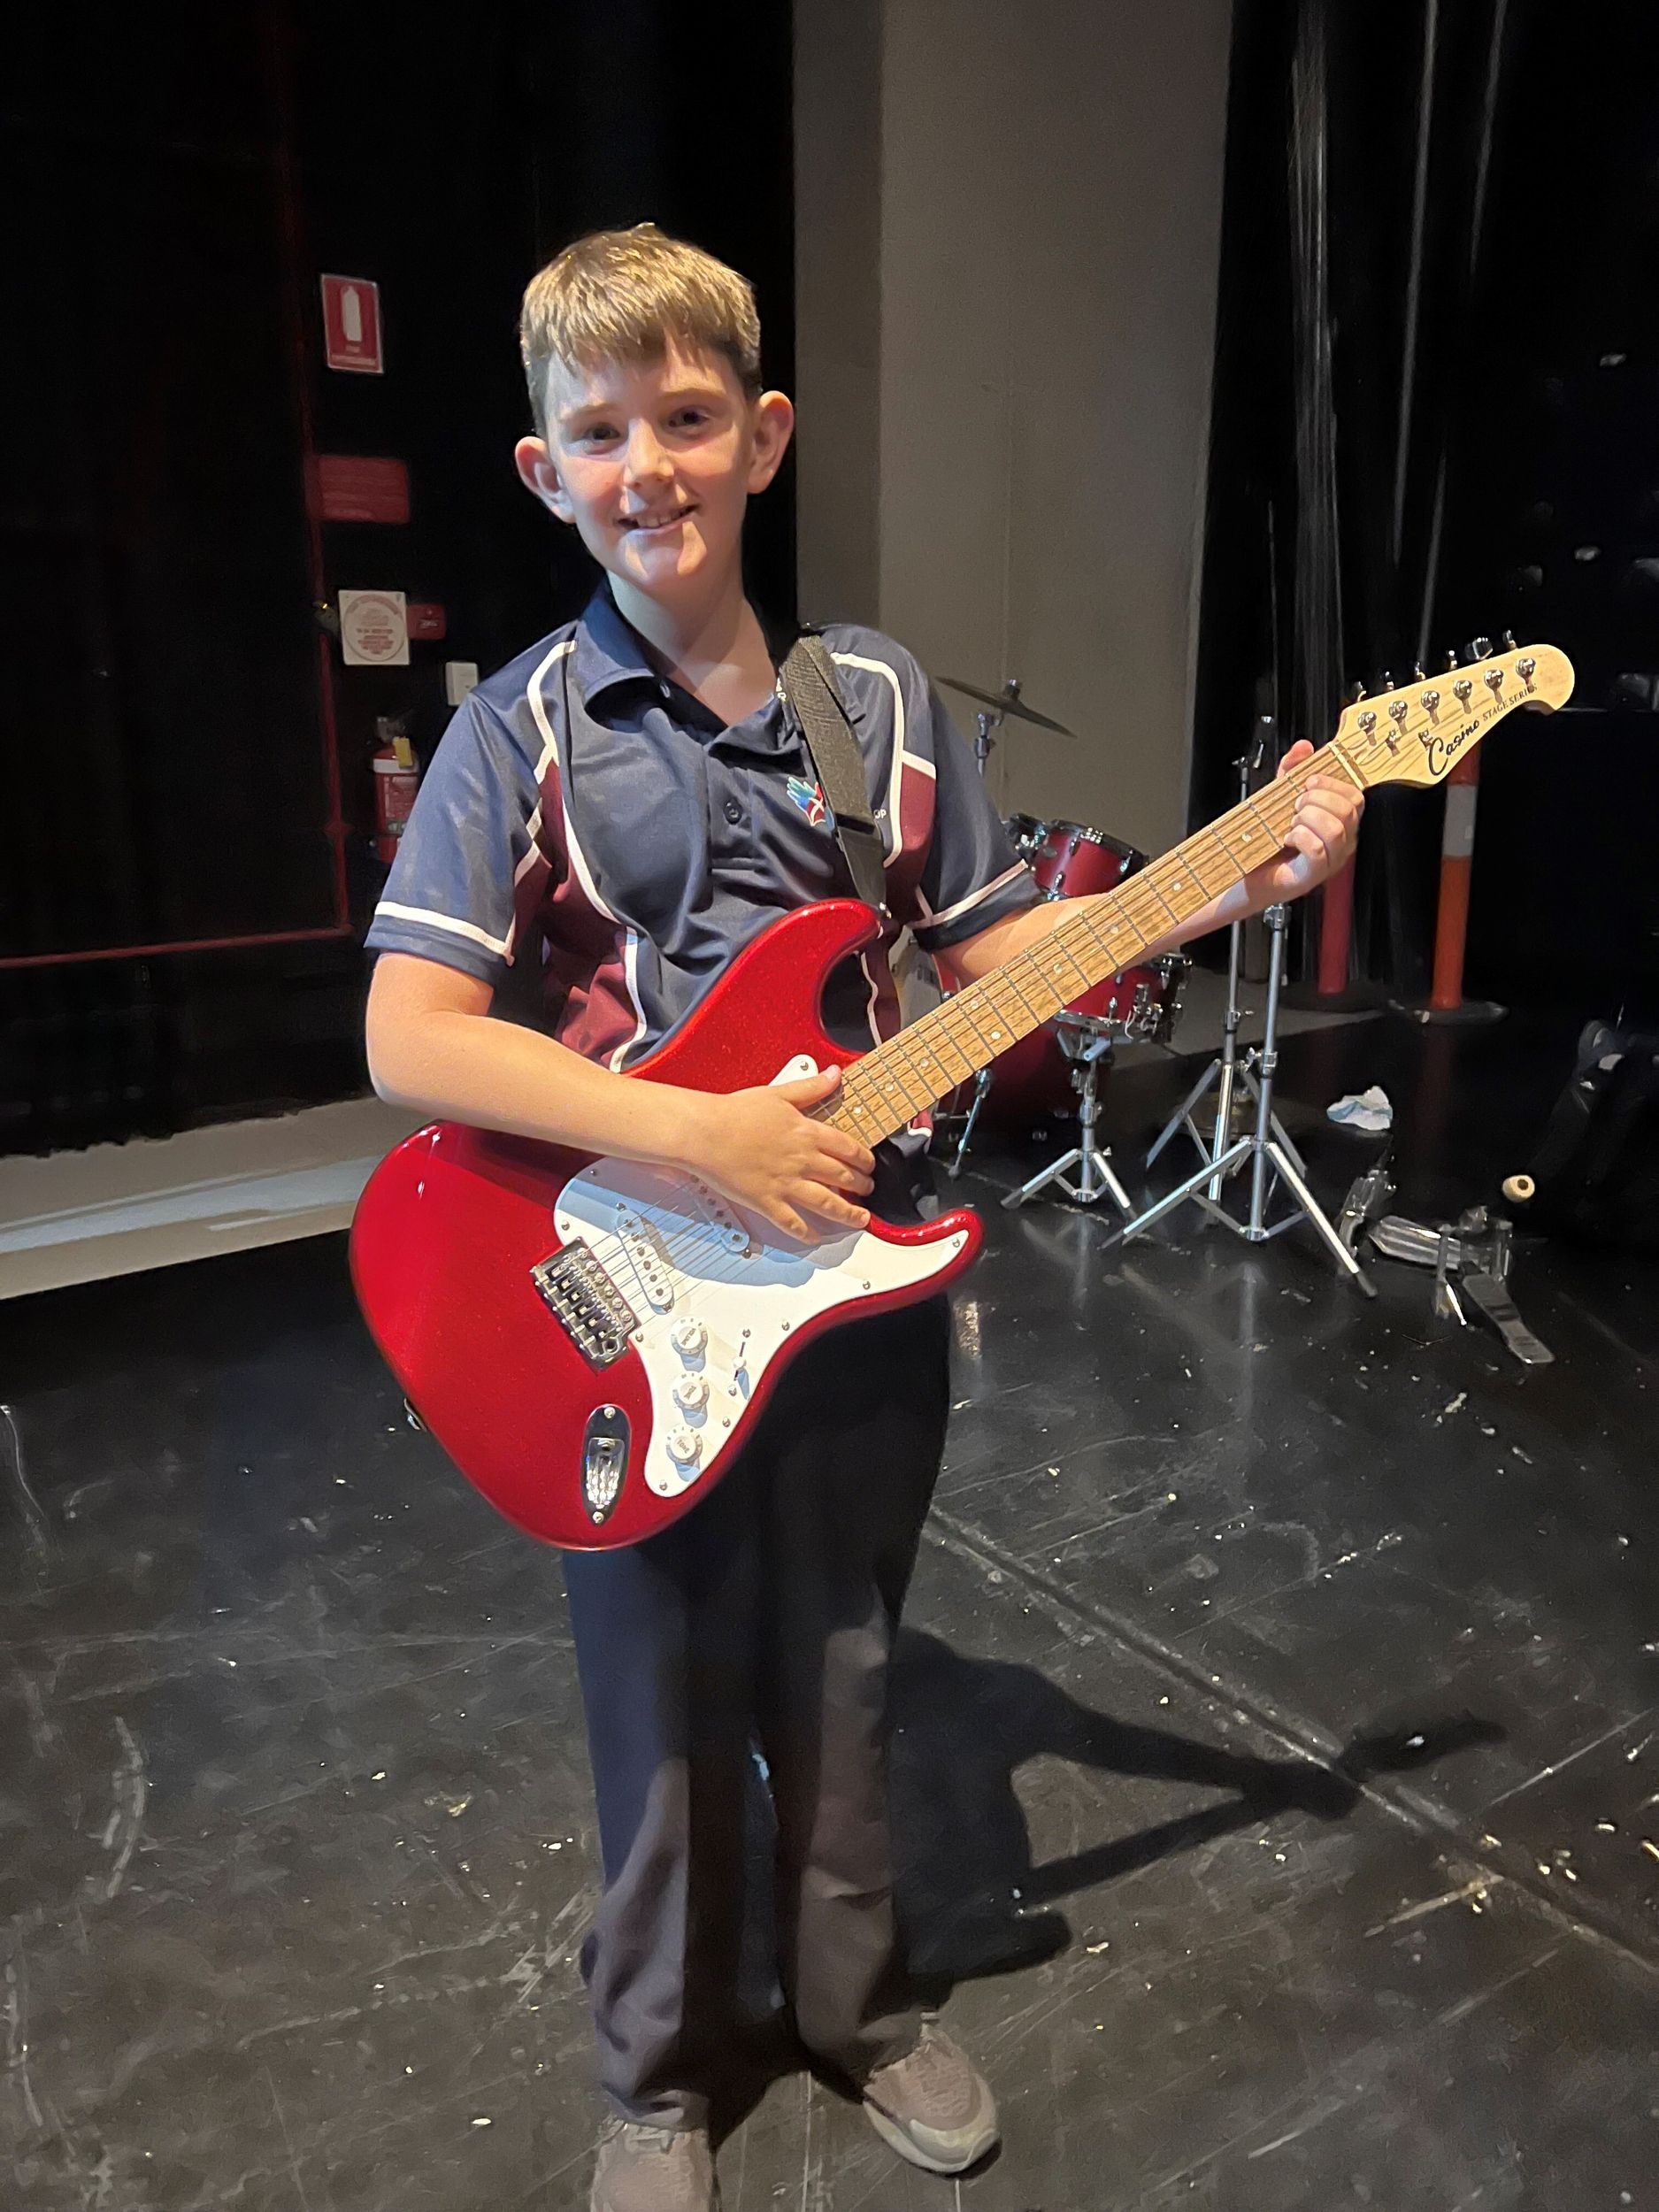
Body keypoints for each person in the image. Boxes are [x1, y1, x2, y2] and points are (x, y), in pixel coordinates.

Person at [362, 225, 1362, 2212]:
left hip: (852, 1276)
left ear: (763, 437)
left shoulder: (873, 700)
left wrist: (1229, 881)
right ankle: (657, 2075)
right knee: (657, 1700)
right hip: (630, 1290)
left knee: (843, 1663)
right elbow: (411, 1034)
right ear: (544, 471)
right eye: (599, 432)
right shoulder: (521, 728)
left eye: (687, 418)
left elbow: (998, 956)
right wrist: (701, 1137)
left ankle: (859, 2008)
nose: (647, 464)